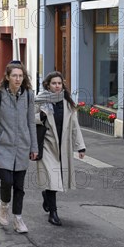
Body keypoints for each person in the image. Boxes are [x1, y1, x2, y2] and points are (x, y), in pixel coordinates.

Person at [0, 61, 38, 234]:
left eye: (20, 76)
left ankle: (18, 219)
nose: (17, 79)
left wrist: (34, 147)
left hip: (22, 146)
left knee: (20, 186)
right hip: (2, 147)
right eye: (14, 75)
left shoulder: (29, 95)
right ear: (7, 77)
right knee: (7, 181)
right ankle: (4, 205)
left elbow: (31, 122)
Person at [35, 71, 86, 226]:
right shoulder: (40, 101)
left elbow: (75, 127)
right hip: (47, 145)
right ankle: (53, 213)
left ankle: (46, 195)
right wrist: (40, 117)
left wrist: (80, 147)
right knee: (53, 178)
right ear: (47, 85)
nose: (57, 86)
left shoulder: (68, 103)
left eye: (59, 83)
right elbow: (28, 117)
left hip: (63, 147)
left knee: (56, 180)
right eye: (53, 83)